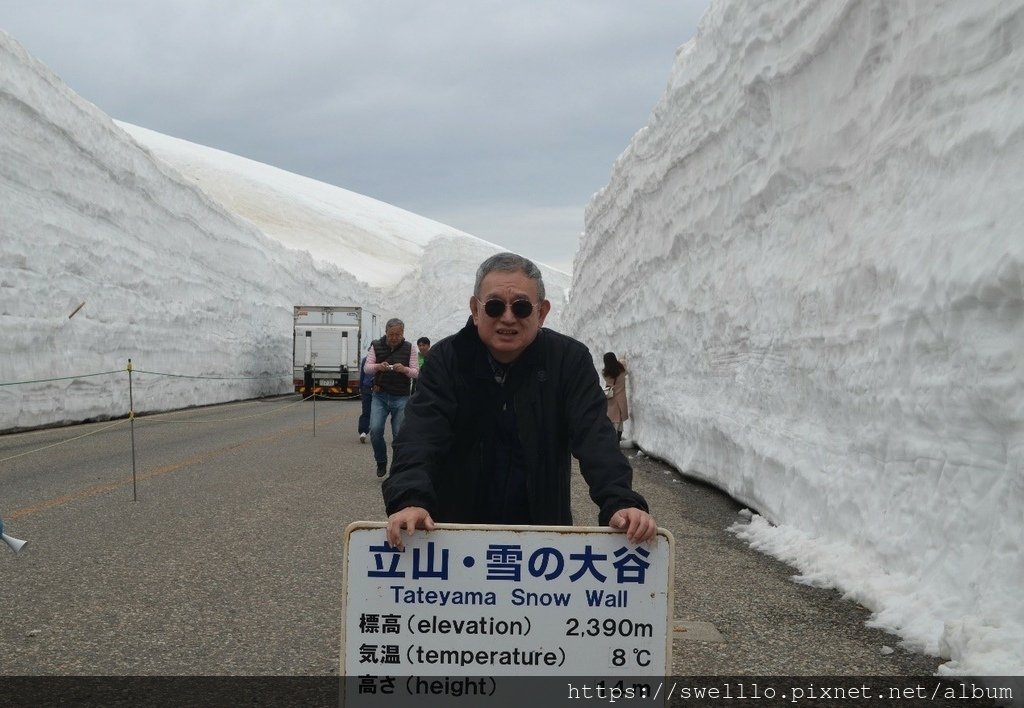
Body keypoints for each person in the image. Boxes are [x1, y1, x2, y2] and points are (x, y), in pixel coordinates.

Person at [383, 252, 656, 549]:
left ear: (542, 312)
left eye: (522, 307)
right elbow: (420, 435)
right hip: (455, 540)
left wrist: (620, 501)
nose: (508, 317)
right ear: (476, 310)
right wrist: (410, 498)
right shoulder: (445, 361)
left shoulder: (568, 361)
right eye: (495, 306)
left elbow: (595, 435)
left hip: (542, 544)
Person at [364, 319, 419, 477]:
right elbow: (367, 368)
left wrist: (405, 369)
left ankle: (398, 467)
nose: (394, 337)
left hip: (401, 396)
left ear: (403, 333)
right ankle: (381, 461)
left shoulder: (410, 348)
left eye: (398, 334)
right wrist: (378, 366)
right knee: (375, 430)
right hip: (379, 395)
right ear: (386, 332)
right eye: (391, 334)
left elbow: (416, 372)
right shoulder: (376, 345)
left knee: (399, 435)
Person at [602, 352, 629, 442]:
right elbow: (625, 369)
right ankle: (617, 442)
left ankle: (612, 443)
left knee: (613, 422)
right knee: (620, 423)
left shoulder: (605, 374)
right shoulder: (622, 369)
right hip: (621, 399)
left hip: (611, 399)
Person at [357, 353, 374, 443]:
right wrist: (360, 388)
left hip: (380, 390)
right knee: (366, 411)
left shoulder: (383, 358)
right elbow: (362, 375)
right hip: (367, 388)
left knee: (378, 413)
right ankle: (363, 431)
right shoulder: (365, 359)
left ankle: (376, 432)